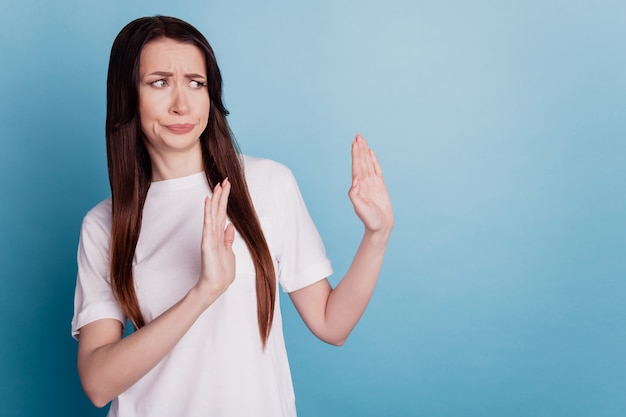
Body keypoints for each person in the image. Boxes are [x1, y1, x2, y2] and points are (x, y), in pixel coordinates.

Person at [71, 15, 393, 417]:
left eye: (196, 82)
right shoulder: (105, 224)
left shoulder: (267, 184)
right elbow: (98, 384)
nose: (181, 103)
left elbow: (332, 324)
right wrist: (203, 292)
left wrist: (376, 236)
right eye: (159, 82)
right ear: (127, 95)